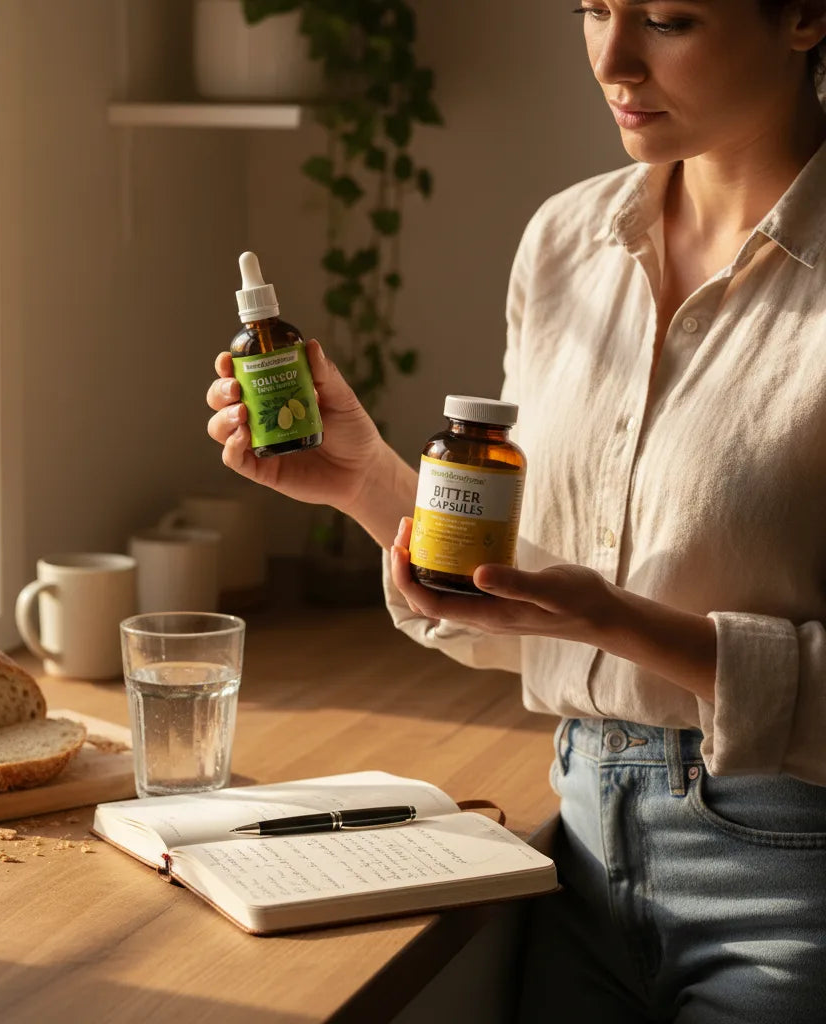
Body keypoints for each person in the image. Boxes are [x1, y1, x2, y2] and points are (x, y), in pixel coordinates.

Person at [206, 1, 826, 1020]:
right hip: (575, 848)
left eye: (667, 17)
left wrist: (616, 620)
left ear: (803, 16)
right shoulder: (565, 241)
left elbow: (585, 614)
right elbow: (532, 605)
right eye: (591, 7)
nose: (613, 60)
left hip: (792, 876)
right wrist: (364, 476)